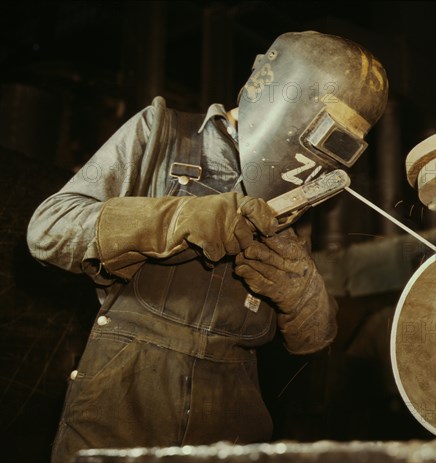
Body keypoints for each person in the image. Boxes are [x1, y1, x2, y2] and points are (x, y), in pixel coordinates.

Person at [27, 30, 388, 462]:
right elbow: (48, 229)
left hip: (231, 429)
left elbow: (313, 342)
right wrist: (175, 219)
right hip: (123, 406)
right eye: (326, 131)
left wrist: (304, 298)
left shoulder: (295, 192)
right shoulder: (160, 132)